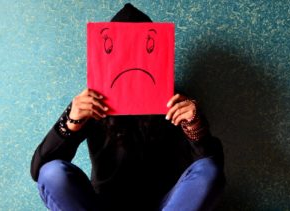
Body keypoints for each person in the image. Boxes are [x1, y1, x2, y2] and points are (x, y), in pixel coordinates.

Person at [30, 3, 225, 211]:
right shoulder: (92, 102)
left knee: (209, 170)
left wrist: (196, 126)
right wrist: (71, 122)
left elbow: (211, 173)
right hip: (102, 206)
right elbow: (40, 172)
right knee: (52, 172)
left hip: (165, 205)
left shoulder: (176, 102)